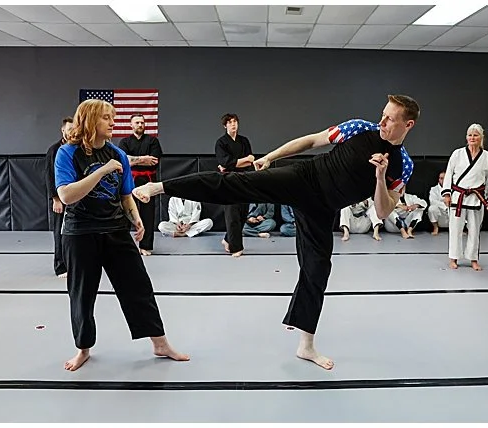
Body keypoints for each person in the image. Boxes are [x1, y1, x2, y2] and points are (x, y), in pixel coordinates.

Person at [133, 94, 420, 370]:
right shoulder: (359, 128)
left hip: (323, 210)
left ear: (408, 124)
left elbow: (383, 210)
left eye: (390, 119)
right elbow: (311, 141)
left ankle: (306, 346)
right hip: (304, 179)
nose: (382, 122)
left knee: (317, 271)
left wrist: (379, 177)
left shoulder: (402, 165)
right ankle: (160, 187)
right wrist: (271, 156)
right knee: (234, 184)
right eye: (383, 115)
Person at [54, 99, 188, 371]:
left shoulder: (117, 153)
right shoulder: (67, 153)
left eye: (112, 117)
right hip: (80, 233)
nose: (112, 122)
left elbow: (125, 194)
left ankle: (160, 343)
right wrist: (102, 170)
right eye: (106, 117)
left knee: (138, 286)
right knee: (82, 294)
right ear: (90, 120)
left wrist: (136, 218)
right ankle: (83, 349)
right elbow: (66, 195)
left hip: (116, 230)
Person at [443, 124, 488, 271]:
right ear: (466, 137)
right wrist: (447, 193)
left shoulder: (487, 157)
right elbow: (448, 174)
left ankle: (473, 259)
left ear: (481, 137)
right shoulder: (457, 154)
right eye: (470, 135)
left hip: (476, 198)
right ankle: (453, 258)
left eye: (476, 135)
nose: (472, 138)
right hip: (458, 197)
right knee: (456, 229)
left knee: (474, 230)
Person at [116, 114, 163, 256]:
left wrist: (135, 160)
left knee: (148, 213)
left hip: (148, 181)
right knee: (126, 212)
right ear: (131, 125)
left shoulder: (152, 141)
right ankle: (124, 245)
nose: (140, 125)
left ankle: (145, 246)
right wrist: (144, 159)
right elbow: (124, 161)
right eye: (137, 123)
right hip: (130, 179)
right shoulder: (125, 142)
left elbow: (154, 161)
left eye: (142, 122)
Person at [215, 113, 256, 257]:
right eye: (230, 122)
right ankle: (236, 248)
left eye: (235, 122)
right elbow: (225, 162)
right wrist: (242, 161)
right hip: (228, 181)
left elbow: (251, 160)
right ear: (225, 125)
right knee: (232, 214)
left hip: (243, 179)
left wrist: (234, 163)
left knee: (243, 214)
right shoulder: (221, 143)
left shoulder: (244, 141)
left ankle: (228, 239)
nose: (233, 124)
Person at [44, 117, 76, 278]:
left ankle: (73, 263)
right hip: (60, 197)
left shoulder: (77, 148)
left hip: (75, 195)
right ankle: (60, 266)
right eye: (69, 129)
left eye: (74, 129)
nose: (72, 132)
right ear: (63, 130)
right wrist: (55, 199)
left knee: (74, 233)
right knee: (60, 232)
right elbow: (49, 176)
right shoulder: (54, 150)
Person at [427, 171, 449, 235]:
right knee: (432, 208)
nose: (440, 180)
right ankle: (435, 227)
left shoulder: (453, 189)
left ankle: (459, 229)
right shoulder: (434, 189)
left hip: (451, 211)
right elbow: (432, 201)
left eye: (443, 178)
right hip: (440, 213)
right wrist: (444, 205)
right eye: (440, 178)